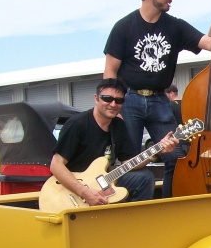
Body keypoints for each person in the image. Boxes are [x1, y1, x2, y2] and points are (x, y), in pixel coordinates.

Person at [103, 0, 211, 198]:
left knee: (177, 156)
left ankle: (166, 205)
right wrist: (113, 107)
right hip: (129, 99)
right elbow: (110, 71)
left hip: (159, 100)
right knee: (128, 162)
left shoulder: (175, 26)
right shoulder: (124, 27)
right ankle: (129, 211)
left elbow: (207, 42)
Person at [50, 78, 178, 206]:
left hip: (105, 180)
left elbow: (128, 162)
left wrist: (156, 152)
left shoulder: (119, 126)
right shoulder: (77, 124)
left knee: (144, 177)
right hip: (75, 187)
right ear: (96, 98)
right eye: (107, 98)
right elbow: (56, 165)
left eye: (119, 100)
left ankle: (134, 222)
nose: (113, 104)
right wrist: (84, 192)